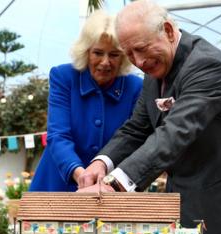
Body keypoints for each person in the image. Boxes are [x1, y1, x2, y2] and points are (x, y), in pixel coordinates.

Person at [78, 1, 221, 234]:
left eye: (141, 49)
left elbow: (173, 134)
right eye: (129, 54)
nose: (139, 62)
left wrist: (114, 185)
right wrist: (101, 163)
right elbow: (137, 128)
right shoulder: (154, 72)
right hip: (189, 216)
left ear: (169, 31)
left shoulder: (207, 65)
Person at [28, 10, 142, 192]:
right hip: (56, 186)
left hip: (108, 191)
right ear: (86, 52)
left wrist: (108, 183)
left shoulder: (136, 87)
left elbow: (133, 141)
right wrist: (82, 176)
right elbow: (58, 136)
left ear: (124, 57)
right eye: (98, 53)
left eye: (113, 55)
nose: (105, 62)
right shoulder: (63, 77)